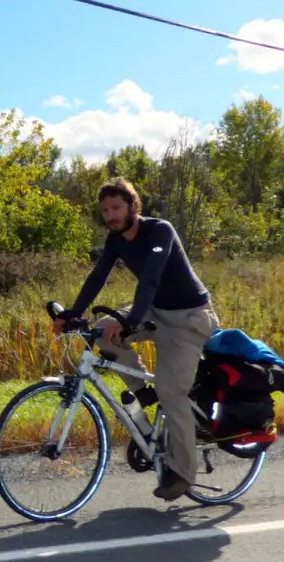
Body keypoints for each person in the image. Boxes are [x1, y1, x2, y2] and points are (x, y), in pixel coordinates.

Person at [52, 177, 219, 501]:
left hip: (188, 317)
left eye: (116, 207)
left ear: (132, 206)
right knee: (103, 332)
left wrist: (130, 322)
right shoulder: (116, 240)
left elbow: (152, 279)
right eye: (105, 210)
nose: (111, 215)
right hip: (156, 311)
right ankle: (143, 392)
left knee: (172, 392)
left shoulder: (160, 231)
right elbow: (97, 276)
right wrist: (74, 312)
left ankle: (182, 473)